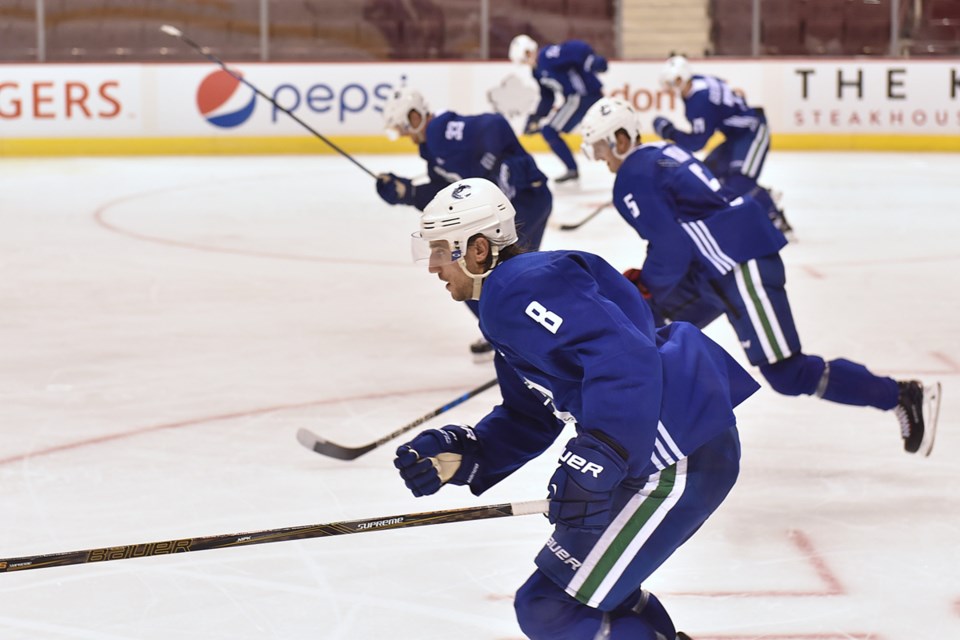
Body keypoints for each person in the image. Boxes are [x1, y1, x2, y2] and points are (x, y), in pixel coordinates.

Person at [394, 177, 760, 640]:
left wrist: (599, 453)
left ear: (478, 249)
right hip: (656, 444)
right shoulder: (507, 299)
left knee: (552, 607)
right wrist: (470, 454)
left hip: (675, 452)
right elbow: (533, 413)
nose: (432, 266)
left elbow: (625, 358)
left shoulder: (518, 287)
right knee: (587, 596)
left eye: (441, 251)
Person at [580, 96, 941, 456]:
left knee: (786, 373)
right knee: (648, 328)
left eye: (600, 147)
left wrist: (647, 284)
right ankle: (659, 438)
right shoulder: (659, 153)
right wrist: (648, 289)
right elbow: (682, 238)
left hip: (737, 261)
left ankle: (900, 395)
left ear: (621, 139)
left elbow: (672, 248)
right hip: (715, 263)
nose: (600, 158)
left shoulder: (632, 175)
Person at [376, 86, 553, 361]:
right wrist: (406, 191)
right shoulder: (432, 151)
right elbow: (445, 192)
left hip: (523, 201)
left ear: (414, 117)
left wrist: (487, 169)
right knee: (496, 273)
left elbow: (494, 125)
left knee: (478, 272)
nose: (406, 136)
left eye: (403, 128)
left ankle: (516, 335)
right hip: (524, 204)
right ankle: (514, 333)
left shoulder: (441, 131)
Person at [653, 55, 794, 237]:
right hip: (736, 135)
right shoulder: (698, 82)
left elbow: (697, 143)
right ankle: (762, 194)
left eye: (677, 80)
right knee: (709, 175)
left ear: (684, 76)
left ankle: (775, 219)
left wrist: (668, 131)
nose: (673, 85)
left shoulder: (698, 100)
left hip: (753, 131)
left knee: (740, 180)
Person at [509, 34, 607, 183]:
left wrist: (590, 60)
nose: (526, 63)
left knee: (550, 131)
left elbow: (576, 48)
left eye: (524, 59)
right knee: (552, 131)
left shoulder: (546, 56)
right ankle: (572, 169)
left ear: (529, 51)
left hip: (582, 96)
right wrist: (536, 117)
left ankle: (572, 169)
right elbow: (548, 97)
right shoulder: (537, 72)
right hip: (576, 99)